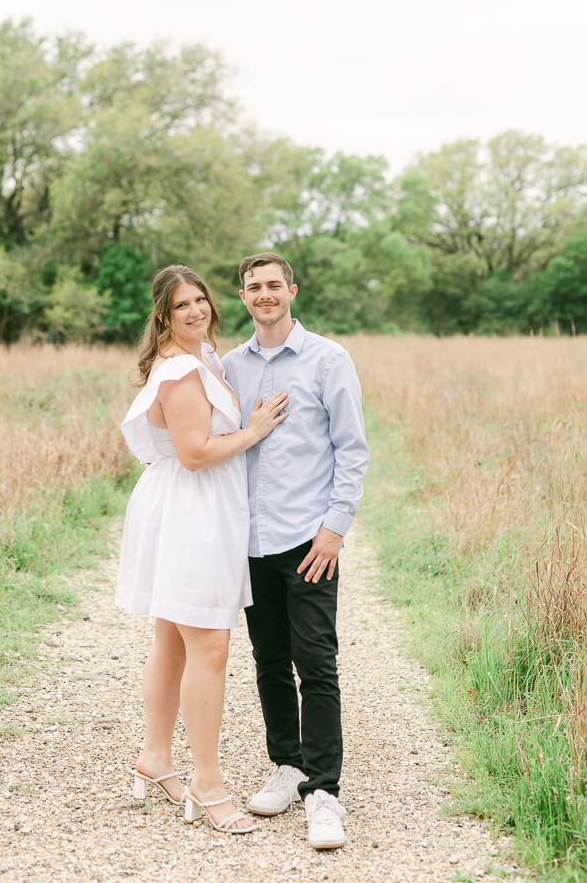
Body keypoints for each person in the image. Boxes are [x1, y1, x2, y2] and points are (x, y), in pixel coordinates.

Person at [116, 264, 288, 835]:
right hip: (191, 511)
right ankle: (206, 782)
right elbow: (192, 452)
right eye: (182, 305)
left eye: (202, 301)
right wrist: (256, 429)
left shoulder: (200, 357)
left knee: (171, 635)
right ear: (163, 314)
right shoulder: (185, 368)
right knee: (210, 644)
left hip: (185, 505)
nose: (196, 311)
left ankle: (155, 757)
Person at [221, 252, 368, 851]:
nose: (264, 294)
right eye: (253, 287)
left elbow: (352, 449)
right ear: (243, 296)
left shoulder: (327, 359)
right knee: (268, 660)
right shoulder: (230, 366)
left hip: (309, 539)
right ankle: (286, 765)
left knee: (316, 661)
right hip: (251, 539)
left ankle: (323, 791)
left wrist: (334, 529)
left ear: (292, 291)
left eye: (273, 285)